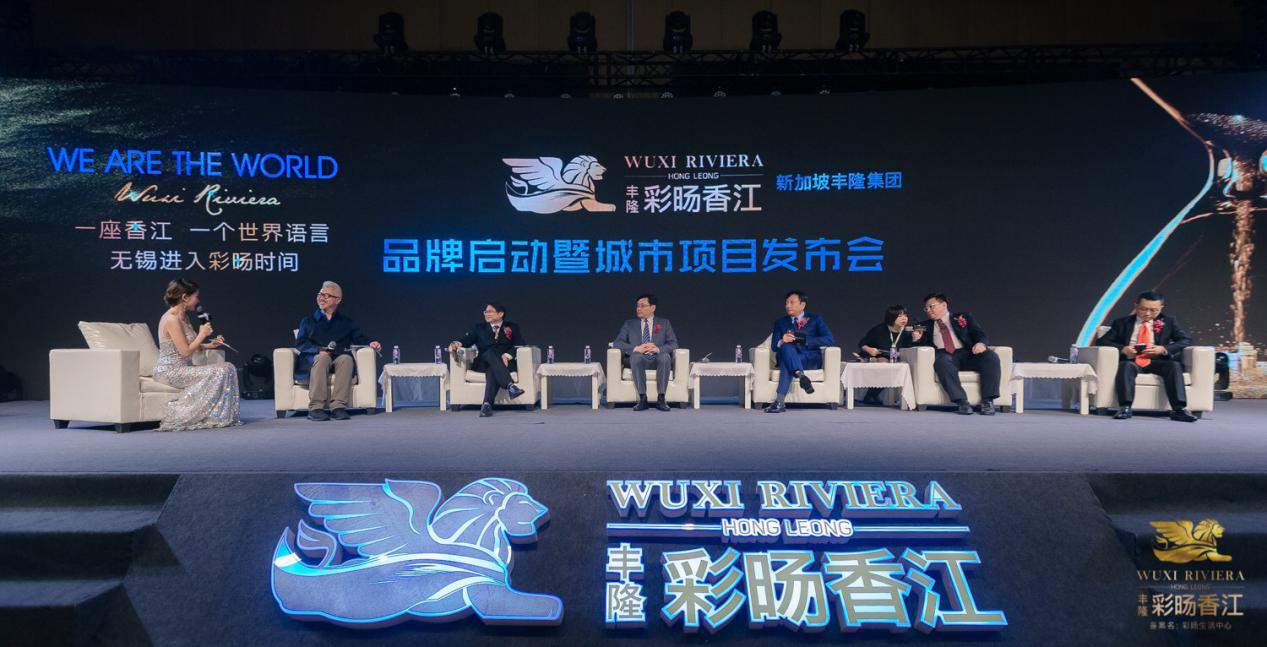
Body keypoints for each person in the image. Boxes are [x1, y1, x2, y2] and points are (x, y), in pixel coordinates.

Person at [152, 278, 241, 431]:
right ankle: (187, 414)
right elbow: (185, 352)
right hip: (169, 371)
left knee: (228, 367)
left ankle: (219, 416)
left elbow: (190, 345)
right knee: (223, 369)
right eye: (196, 296)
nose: (198, 300)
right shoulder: (171, 320)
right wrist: (202, 334)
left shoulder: (184, 317)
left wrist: (210, 345)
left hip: (184, 368)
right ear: (185, 297)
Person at [1095, 291, 1198, 422]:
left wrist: (1163, 349)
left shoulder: (1169, 321)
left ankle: (1179, 409)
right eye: (1143, 309)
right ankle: (1125, 407)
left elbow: (1186, 340)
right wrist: (1123, 349)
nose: (1148, 314)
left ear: (1161, 308)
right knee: (1126, 366)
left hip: (1157, 361)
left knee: (1174, 366)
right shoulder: (1122, 322)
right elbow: (1102, 341)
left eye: (1153, 310)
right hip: (1132, 360)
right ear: (1136, 306)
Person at [294, 281, 382, 421]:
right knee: (323, 358)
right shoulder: (308, 321)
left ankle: (338, 407)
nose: (321, 298)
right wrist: (319, 350)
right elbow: (301, 343)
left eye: (326, 295)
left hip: (337, 357)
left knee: (346, 359)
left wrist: (370, 343)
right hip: (315, 359)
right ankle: (316, 407)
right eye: (320, 294)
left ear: (338, 300)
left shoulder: (345, 322)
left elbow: (358, 337)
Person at [912, 293, 1001, 415]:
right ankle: (962, 402)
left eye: (931, 306)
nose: (928, 310)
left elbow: (980, 334)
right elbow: (916, 344)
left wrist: (981, 343)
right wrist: (916, 339)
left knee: (991, 356)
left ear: (944, 305)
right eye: (926, 308)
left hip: (967, 353)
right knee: (942, 361)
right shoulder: (924, 325)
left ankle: (987, 401)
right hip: (944, 355)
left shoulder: (963, 317)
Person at [448, 302, 526, 417]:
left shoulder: (512, 327)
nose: (486, 314)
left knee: (492, 369)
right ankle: (510, 386)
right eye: (485, 312)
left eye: (490, 311)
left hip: (504, 363)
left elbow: (520, 344)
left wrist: (507, 355)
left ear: (500, 314)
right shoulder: (479, 328)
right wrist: (457, 343)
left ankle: (487, 405)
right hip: (482, 363)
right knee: (489, 353)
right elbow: (467, 340)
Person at [765, 290, 835, 413]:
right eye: (786, 303)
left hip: (809, 358)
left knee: (787, 362)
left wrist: (805, 340)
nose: (788, 306)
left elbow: (830, 339)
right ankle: (800, 375)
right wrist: (782, 340)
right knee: (786, 347)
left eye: (792, 302)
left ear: (802, 305)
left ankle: (780, 402)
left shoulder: (815, 319)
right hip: (790, 356)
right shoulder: (780, 322)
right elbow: (774, 347)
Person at [612, 293, 680, 411]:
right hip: (639, 359)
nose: (638, 309)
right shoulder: (629, 324)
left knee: (664, 357)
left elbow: (673, 343)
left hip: (657, 358)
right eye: (637, 306)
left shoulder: (664, 323)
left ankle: (661, 398)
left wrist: (658, 349)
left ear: (652, 308)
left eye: (642, 306)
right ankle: (642, 399)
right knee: (636, 356)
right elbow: (617, 343)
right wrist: (635, 348)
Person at [856, 305, 922, 404]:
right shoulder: (879, 330)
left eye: (905, 315)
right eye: (900, 316)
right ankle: (871, 395)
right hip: (877, 356)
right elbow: (862, 343)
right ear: (891, 317)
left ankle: (877, 396)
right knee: (884, 364)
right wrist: (869, 349)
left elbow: (910, 348)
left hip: (897, 358)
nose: (904, 318)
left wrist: (915, 339)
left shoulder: (907, 331)